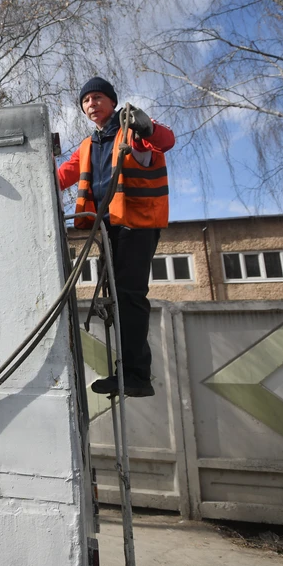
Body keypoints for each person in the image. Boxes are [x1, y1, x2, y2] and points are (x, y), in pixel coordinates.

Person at [58, 77, 175, 398]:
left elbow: (164, 140)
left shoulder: (133, 132)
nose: (91, 104)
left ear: (112, 101)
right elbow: (63, 174)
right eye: (86, 101)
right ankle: (126, 371)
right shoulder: (87, 145)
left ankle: (137, 375)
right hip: (108, 227)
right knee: (117, 296)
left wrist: (146, 127)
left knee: (129, 294)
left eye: (97, 98)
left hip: (136, 224)